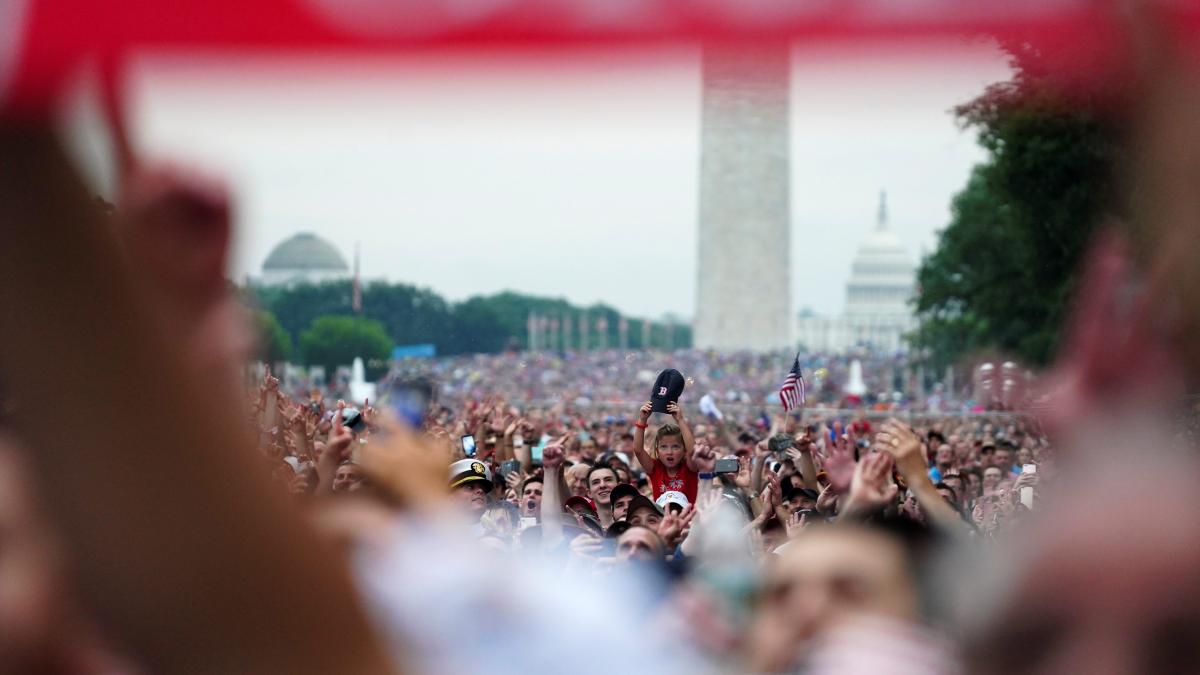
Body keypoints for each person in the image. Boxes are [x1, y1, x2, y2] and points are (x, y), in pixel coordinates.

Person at [632, 401, 704, 502]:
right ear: (657, 450)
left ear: (684, 450)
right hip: (662, 518)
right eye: (664, 447)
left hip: (689, 518)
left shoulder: (689, 468)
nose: (669, 452)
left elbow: (692, 452)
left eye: (675, 447)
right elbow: (638, 450)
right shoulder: (655, 469)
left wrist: (680, 420)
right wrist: (642, 419)